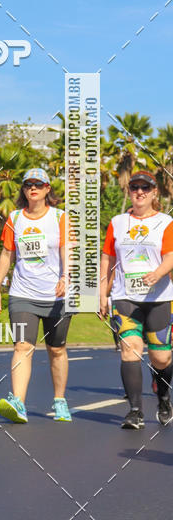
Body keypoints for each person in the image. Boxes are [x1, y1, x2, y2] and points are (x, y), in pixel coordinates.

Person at [0, 168, 72, 423]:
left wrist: (65, 277)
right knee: (22, 346)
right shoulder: (14, 218)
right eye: (28, 185)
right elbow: (7, 254)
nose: (32, 188)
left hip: (55, 295)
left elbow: (66, 249)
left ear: (48, 189)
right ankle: (19, 403)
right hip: (22, 292)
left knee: (56, 349)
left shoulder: (60, 217)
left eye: (38, 184)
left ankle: (59, 400)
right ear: (23, 190)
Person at [100, 170, 173, 429]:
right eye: (134, 187)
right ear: (129, 191)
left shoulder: (165, 222)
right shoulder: (117, 222)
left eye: (145, 188)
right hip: (125, 296)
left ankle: (163, 396)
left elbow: (170, 256)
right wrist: (102, 292)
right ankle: (135, 411)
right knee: (130, 349)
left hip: (159, 297)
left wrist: (158, 273)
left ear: (154, 192)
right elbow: (108, 259)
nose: (139, 192)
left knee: (161, 359)